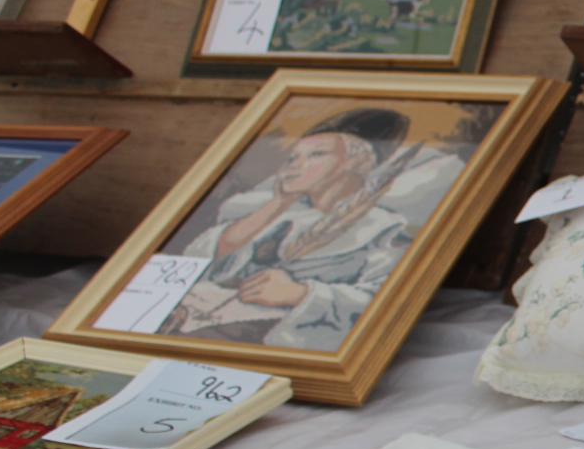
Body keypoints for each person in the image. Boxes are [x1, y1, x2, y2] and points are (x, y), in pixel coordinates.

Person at [167, 109, 419, 350]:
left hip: (283, 341)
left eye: (316, 155)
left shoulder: (383, 229)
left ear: (355, 162)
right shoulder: (276, 213)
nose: (295, 165)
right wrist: (278, 203)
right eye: (292, 157)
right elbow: (203, 259)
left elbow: (390, 301)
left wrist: (300, 293)